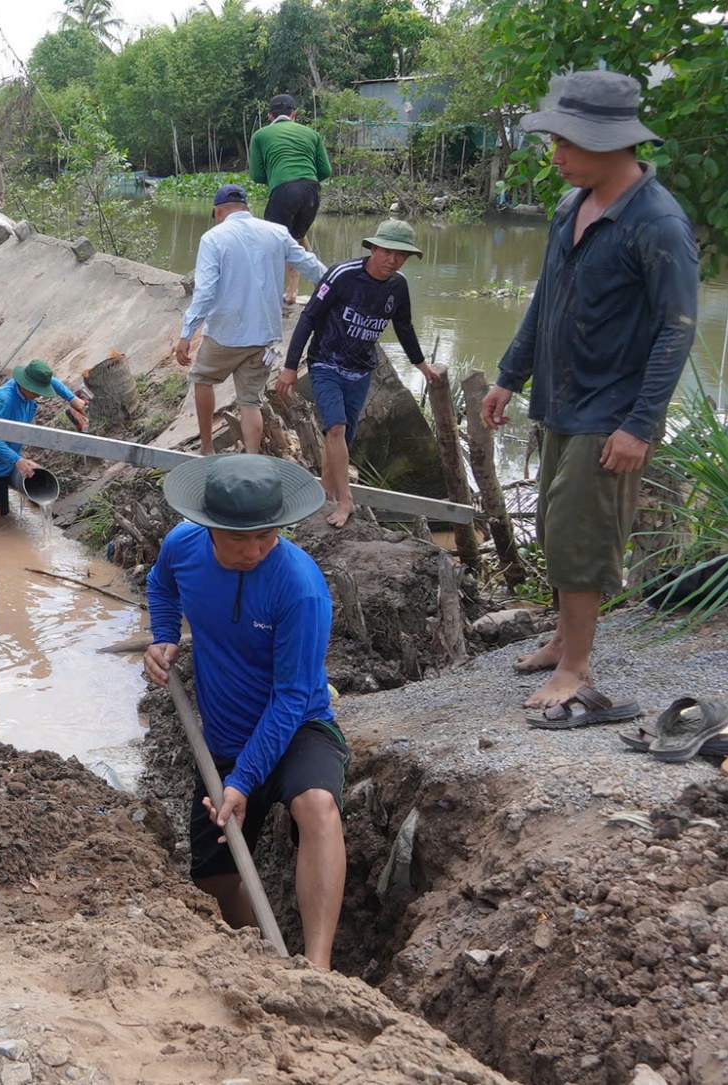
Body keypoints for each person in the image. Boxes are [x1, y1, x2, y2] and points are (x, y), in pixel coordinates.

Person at [480, 70, 698, 718]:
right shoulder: (571, 208)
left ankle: (576, 667)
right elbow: (545, 299)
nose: (557, 157)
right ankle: (562, 638)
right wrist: (507, 375)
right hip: (562, 399)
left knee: (582, 532)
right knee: (554, 523)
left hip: (612, 410)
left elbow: (676, 330)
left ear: (611, 143)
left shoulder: (657, 223)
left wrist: (642, 425)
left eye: (567, 144)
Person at [141, 454, 345, 967]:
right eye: (239, 539)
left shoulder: (300, 588)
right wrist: (165, 637)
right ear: (210, 527)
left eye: (267, 536)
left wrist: (245, 780)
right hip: (225, 738)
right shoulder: (182, 547)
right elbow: (161, 585)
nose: (254, 550)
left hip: (298, 727)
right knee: (213, 881)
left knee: (317, 804)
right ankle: (262, 959)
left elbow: (292, 697)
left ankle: (319, 966)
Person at [278, 218, 446, 527]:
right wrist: (290, 367)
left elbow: (404, 325)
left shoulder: (398, 285)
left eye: (400, 255)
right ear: (373, 248)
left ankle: (326, 493)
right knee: (337, 429)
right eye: (386, 252)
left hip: (361, 370)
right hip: (326, 363)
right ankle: (346, 501)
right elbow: (308, 318)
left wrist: (420, 364)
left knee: (340, 437)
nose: (392, 261)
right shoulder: (342, 276)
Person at [176, 184, 327, 456]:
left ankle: (207, 449)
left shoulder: (214, 238)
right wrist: (341, 288)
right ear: (247, 208)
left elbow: (206, 290)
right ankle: (252, 460)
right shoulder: (277, 232)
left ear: (218, 211)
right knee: (250, 402)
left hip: (225, 334)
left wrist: (187, 333)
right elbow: (312, 267)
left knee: (202, 379)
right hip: (264, 337)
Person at [0, 359, 88, 527]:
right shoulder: (5, 400)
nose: (40, 395)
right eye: (38, 391)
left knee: (3, 513)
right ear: (27, 385)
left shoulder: (24, 392)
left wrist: (72, 398)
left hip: (3, 461)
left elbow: (51, 381)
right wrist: (18, 461)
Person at [248, 94, 332, 306]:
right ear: (294, 114)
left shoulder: (260, 135)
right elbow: (325, 170)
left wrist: (280, 178)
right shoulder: (311, 133)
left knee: (272, 243)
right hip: (312, 191)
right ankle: (309, 289)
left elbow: (256, 175)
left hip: (284, 191)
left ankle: (267, 295)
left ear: (269, 116)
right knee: (296, 239)